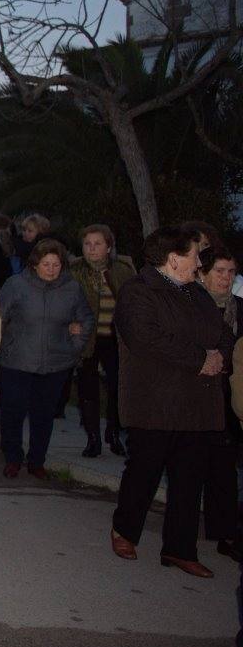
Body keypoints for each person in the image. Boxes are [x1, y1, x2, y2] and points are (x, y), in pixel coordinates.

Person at [110, 227, 232, 579]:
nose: (199, 261)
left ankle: (180, 549)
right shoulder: (139, 290)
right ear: (174, 258)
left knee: (189, 478)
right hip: (155, 400)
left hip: (196, 403)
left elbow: (223, 332)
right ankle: (125, 530)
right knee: (144, 471)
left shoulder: (197, 292)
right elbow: (146, 337)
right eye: (194, 254)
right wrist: (199, 359)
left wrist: (219, 357)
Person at [0, 240, 93, 479]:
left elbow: (86, 319)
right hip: (17, 361)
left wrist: (74, 347)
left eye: (56, 264)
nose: (51, 269)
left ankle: (37, 460)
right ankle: (12, 458)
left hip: (55, 363)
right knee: (13, 412)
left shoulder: (72, 288)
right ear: (35, 265)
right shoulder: (16, 285)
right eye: (46, 264)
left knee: (44, 414)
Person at [70, 224, 137, 458]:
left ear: (109, 246)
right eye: (87, 244)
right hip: (87, 338)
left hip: (116, 339)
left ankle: (114, 432)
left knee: (118, 387)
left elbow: (134, 303)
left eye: (97, 244)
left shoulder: (123, 269)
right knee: (87, 389)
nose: (92, 249)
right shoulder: (74, 269)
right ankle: (93, 438)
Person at [197, 248, 241, 562]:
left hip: (229, 398)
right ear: (203, 273)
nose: (225, 278)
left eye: (230, 272)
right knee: (189, 465)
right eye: (219, 271)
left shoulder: (239, 309)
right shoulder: (190, 306)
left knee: (225, 469)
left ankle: (225, 532)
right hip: (192, 396)